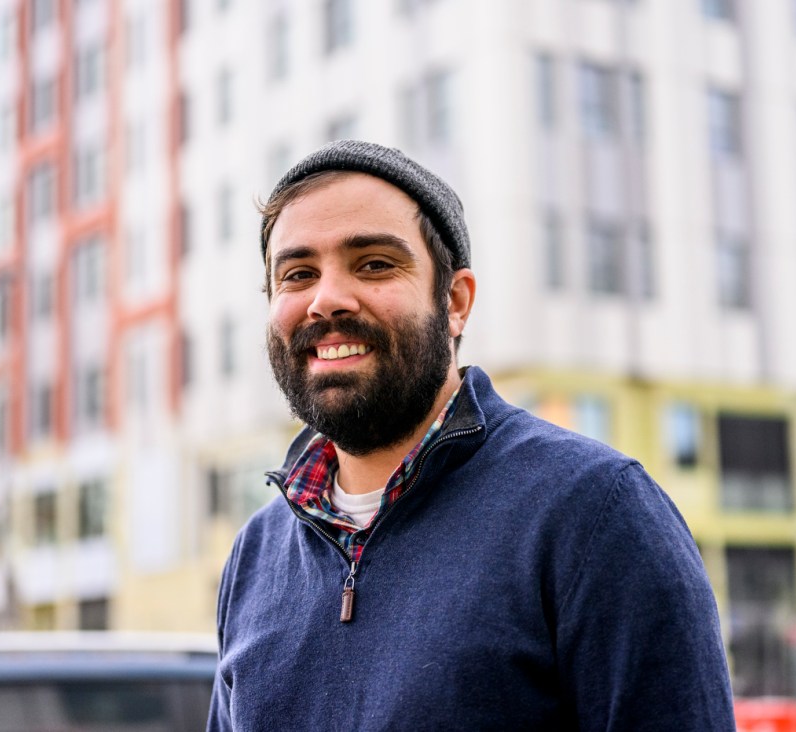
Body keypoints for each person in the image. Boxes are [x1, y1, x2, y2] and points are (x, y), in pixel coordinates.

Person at [207, 140, 736, 731]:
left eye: (375, 264)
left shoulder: (596, 512)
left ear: (455, 302)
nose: (327, 298)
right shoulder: (254, 554)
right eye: (298, 274)